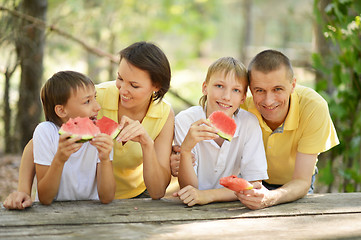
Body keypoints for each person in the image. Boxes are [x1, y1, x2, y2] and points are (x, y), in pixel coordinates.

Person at [3, 41, 174, 209]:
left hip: (135, 197)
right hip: (92, 199)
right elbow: (38, 143)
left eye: (134, 85)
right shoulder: (95, 98)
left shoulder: (164, 115)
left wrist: (147, 144)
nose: (122, 90)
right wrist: (23, 190)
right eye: (120, 78)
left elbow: (158, 191)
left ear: (156, 86)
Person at [233, 49, 339, 209]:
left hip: (295, 185)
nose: (268, 101)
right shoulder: (241, 107)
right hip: (250, 181)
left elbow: (302, 181)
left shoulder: (313, 107)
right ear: (250, 90)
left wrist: (270, 197)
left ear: (293, 85)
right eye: (259, 90)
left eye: (277, 89)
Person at [172, 57, 268, 206]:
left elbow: (253, 185)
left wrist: (208, 196)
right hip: (192, 208)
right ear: (205, 87)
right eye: (219, 86)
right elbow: (189, 188)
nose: (226, 96)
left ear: (243, 97)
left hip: (233, 207)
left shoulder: (249, 123)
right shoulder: (185, 121)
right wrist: (185, 150)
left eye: (236, 90)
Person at [34, 71, 115, 205]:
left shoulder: (100, 134)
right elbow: (45, 198)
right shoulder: (45, 132)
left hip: (92, 213)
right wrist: (59, 159)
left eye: (95, 98)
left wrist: (105, 159)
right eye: (87, 101)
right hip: (52, 215)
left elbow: (107, 197)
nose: (98, 107)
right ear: (61, 110)